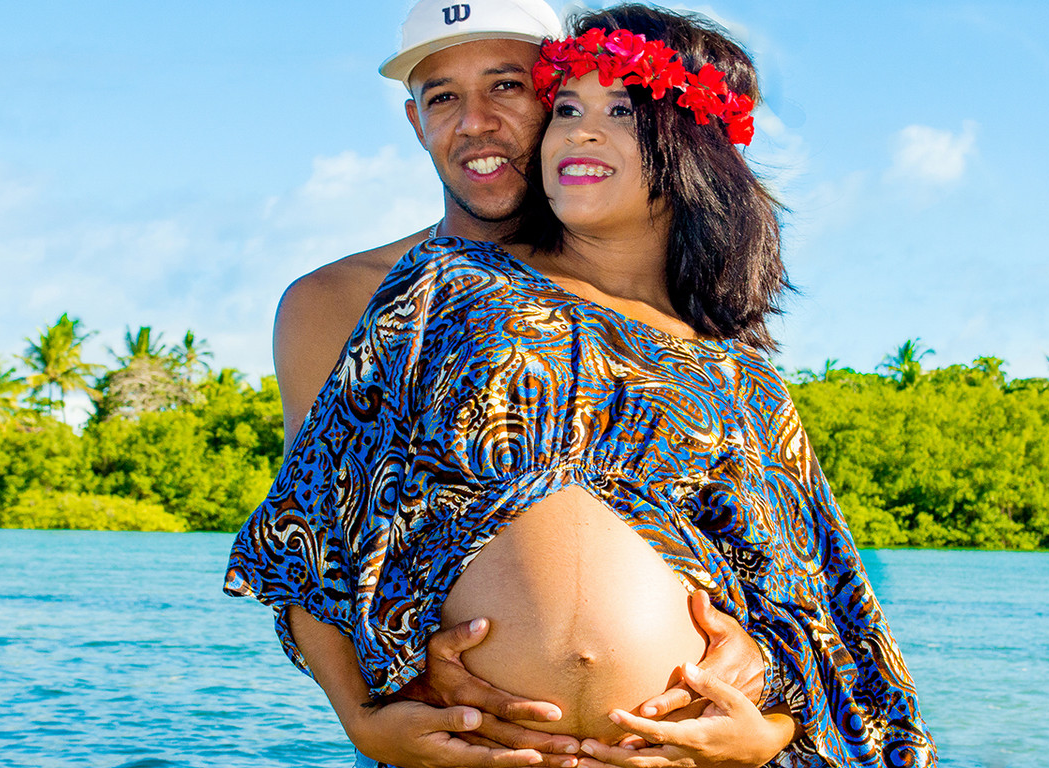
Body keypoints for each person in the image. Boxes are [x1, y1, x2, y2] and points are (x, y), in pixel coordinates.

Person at [228, 3, 937, 767]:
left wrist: (765, 722)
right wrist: (365, 717)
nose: (477, 122)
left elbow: (805, 598)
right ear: (415, 119)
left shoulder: (715, 350)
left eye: (508, 86)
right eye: (444, 96)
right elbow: (313, 533)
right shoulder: (424, 291)